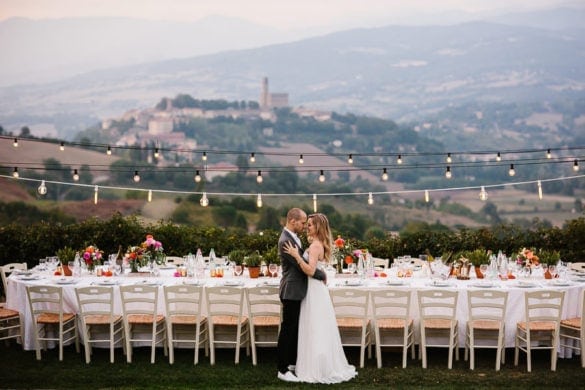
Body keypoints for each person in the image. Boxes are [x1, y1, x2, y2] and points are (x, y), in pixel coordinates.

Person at [283, 213, 357, 384]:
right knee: (315, 326)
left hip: (314, 291)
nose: (307, 227)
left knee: (315, 327)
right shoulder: (316, 244)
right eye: (307, 224)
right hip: (314, 289)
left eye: (310, 224)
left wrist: (296, 256)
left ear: (318, 227)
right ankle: (315, 364)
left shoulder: (316, 246)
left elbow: (310, 270)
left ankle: (317, 367)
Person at [276, 208, 327, 382]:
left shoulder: (293, 238)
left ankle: (291, 362)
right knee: (288, 329)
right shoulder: (285, 241)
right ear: (293, 221)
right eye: (303, 222)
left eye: (307, 223)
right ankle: (282, 369)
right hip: (291, 290)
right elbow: (303, 266)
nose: (305, 226)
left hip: (297, 290)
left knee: (295, 328)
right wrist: (321, 274)